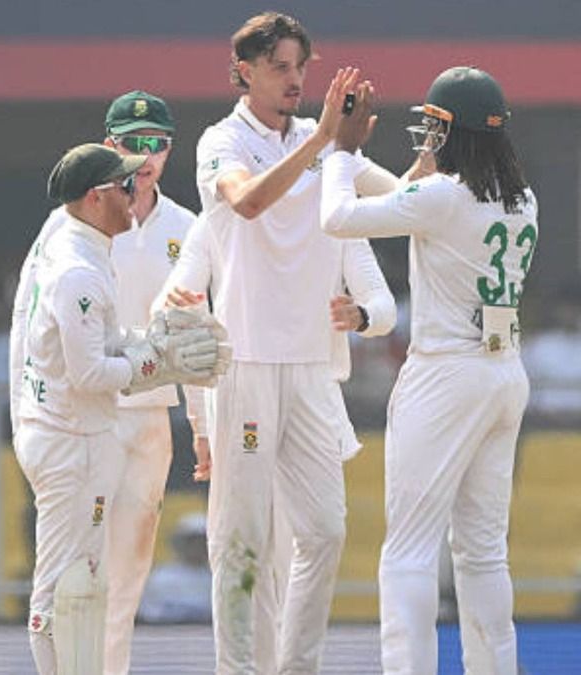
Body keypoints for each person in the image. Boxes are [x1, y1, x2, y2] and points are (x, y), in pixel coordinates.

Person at [177, 12, 426, 673]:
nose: (294, 79)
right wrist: (323, 139)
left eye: (300, 67)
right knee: (242, 541)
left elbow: (406, 199)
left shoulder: (328, 150)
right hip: (246, 360)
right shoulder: (219, 141)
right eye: (280, 67)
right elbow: (248, 201)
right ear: (245, 72)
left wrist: (434, 148)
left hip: (313, 366)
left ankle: (295, 667)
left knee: (323, 531)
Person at [321, 66, 537, 675]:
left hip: (445, 374)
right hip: (503, 374)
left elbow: (337, 218)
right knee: (483, 554)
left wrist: (339, 148)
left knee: (409, 551)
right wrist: (359, 159)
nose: (427, 138)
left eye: (435, 128)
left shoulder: (444, 197)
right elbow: (417, 204)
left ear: (453, 132)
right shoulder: (520, 196)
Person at [9, 91, 207, 675]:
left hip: (142, 419)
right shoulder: (65, 236)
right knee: (71, 581)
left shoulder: (185, 228)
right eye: (132, 145)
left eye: (157, 144)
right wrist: (26, 415)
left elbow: (188, 334)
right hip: (80, 420)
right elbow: (29, 329)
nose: (145, 159)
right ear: (109, 147)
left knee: (116, 584)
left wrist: (201, 424)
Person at [137, 513, 213, 624]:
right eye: (193, 542)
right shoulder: (160, 578)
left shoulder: (215, 579)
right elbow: (148, 614)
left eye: (203, 542)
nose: (198, 547)